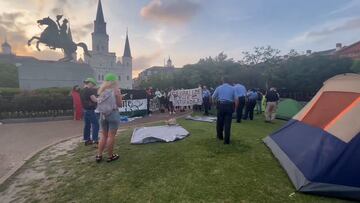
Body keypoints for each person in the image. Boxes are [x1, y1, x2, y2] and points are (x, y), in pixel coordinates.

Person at [95, 73, 123, 163]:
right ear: (114, 81)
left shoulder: (101, 91)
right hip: (113, 114)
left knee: (103, 136)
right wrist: (120, 97)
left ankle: (99, 155)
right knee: (111, 136)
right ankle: (110, 156)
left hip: (102, 115)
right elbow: (120, 104)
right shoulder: (116, 91)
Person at [212, 77, 238, 144]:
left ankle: (220, 137)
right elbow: (236, 99)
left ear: (222, 81)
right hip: (229, 106)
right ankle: (227, 141)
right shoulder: (233, 88)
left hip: (221, 105)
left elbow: (213, 97)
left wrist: (214, 105)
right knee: (228, 124)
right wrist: (235, 108)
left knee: (219, 122)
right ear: (229, 81)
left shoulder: (219, 88)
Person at [80, 78, 99, 146]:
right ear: (90, 83)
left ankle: (87, 140)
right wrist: (100, 98)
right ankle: (95, 139)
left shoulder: (82, 90)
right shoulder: (89, 90)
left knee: (87, 125)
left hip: (85, 110)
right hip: (90, 110)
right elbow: (94, 100)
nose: (93, 86)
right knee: (96, 124)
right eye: (93, 84)